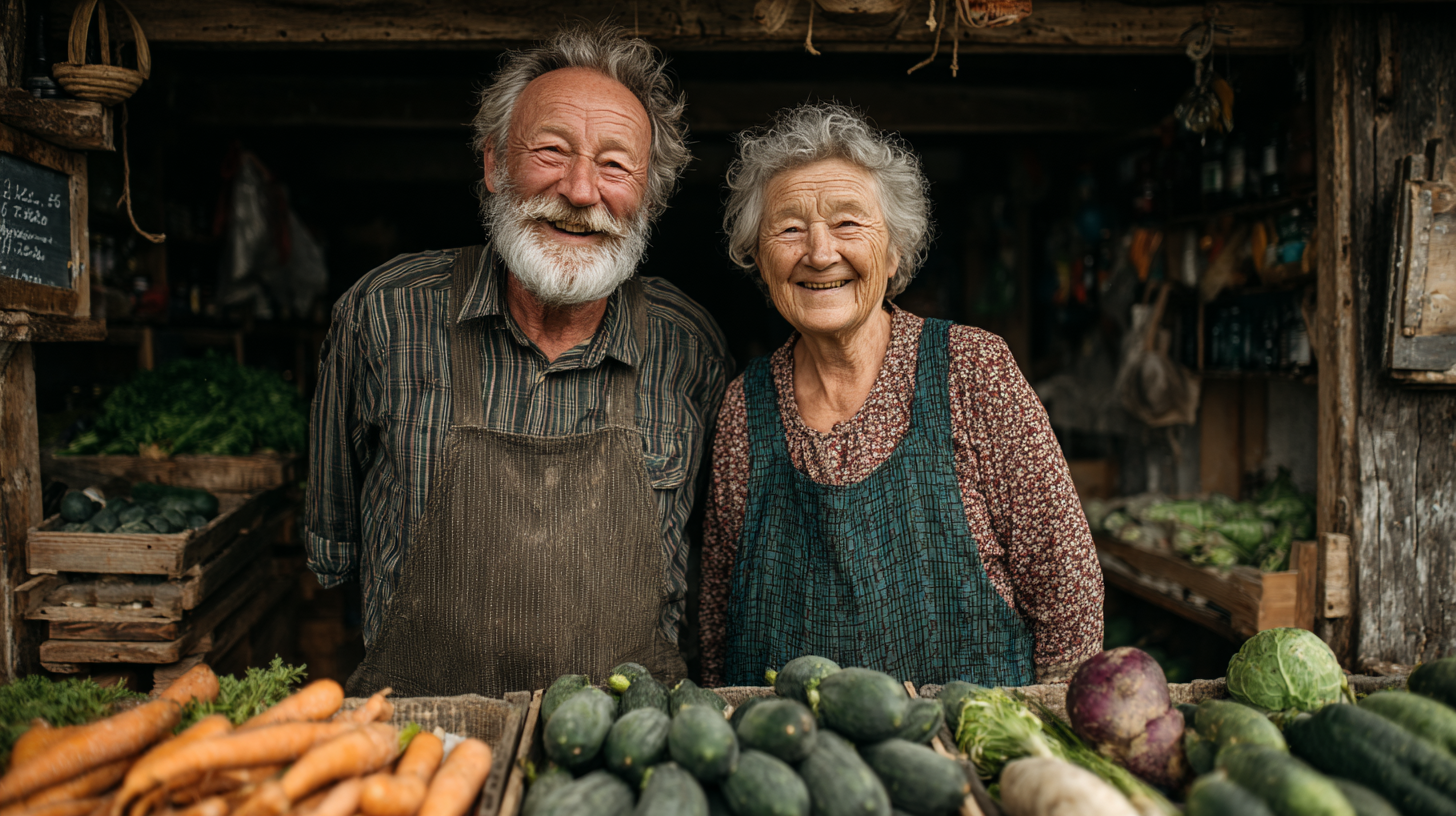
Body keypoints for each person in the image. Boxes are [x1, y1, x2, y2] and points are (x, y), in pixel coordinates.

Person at [305, 25, 731, 697]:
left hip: (628, 760)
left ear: (650, 196)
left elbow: (715, 563)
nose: (582, 190)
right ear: (495, 165)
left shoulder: (689, 345)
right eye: (552, 151)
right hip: (422, 748)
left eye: (615, 165)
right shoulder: (383, 315)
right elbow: (333, 545)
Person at [699, 103, 1102, 688]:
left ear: (893, 255)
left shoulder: (973, 370)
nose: (818, 252)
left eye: (848, 224)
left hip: (965, 757)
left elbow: (1070, 597)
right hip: (792, 757)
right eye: (789, 228)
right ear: (760, 263)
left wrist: (1040, 743)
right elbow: (719, 619)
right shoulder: (744, 406)